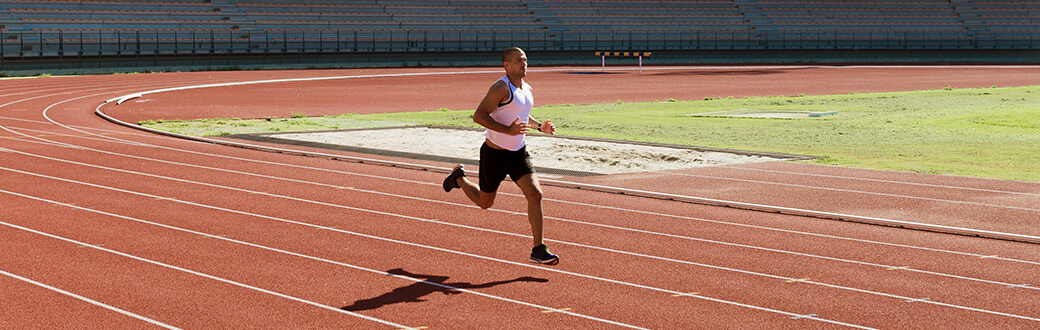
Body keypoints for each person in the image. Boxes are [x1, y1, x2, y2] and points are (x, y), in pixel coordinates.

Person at [442, 47, 559, 265]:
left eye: (525, 60)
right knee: (485, 203)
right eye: (518, 61)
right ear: (506, 65)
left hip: (518, 153)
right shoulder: (500, 87)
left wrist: (539, 127)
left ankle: (538, 249)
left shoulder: (527, 89)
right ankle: (458, 177)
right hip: (494, 155)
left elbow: (522, 115)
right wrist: (507, 131)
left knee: (535, 195)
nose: (523, 64)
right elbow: (478, 116)